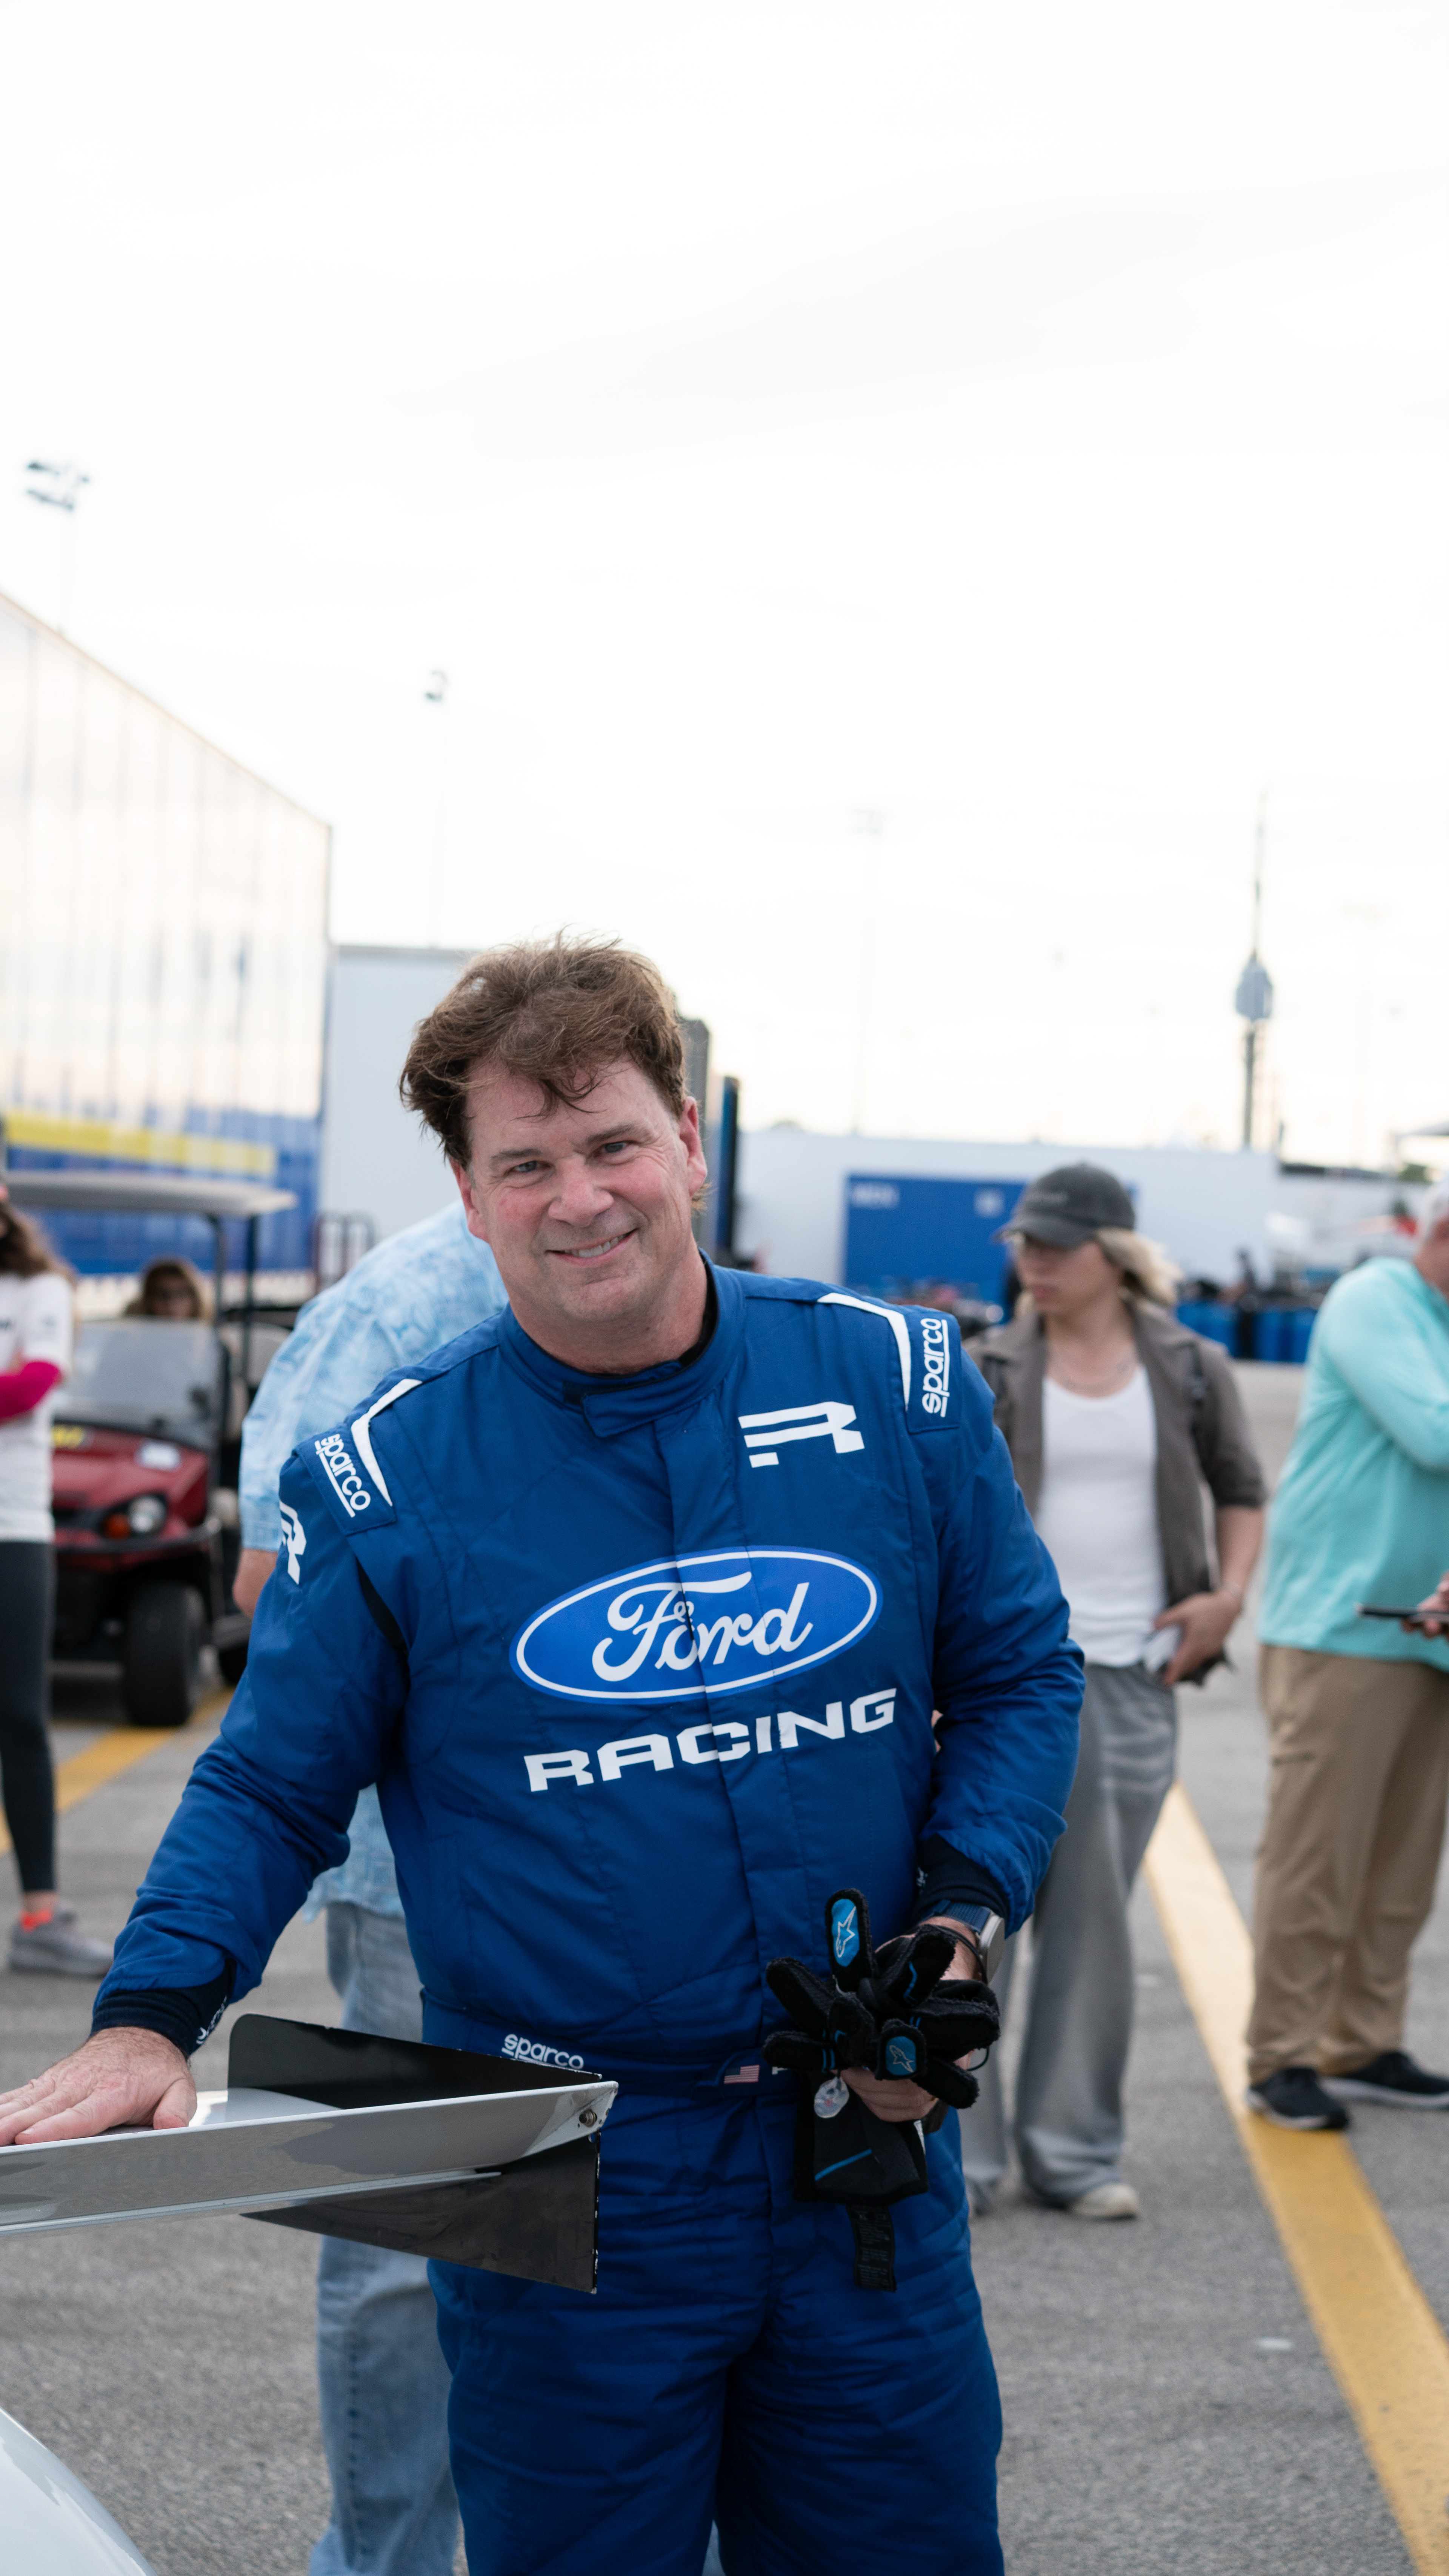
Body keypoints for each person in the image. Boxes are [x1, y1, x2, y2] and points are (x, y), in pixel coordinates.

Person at [0, 936, 1083, 2576]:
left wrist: (961, 1912)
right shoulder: (389, 1479)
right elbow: (270, 1783)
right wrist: (151, 2013)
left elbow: (1018, 1671)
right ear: (468, 1189)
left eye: (613, 1143)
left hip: (862, 2140)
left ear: (689, 1144)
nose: (581, 1199)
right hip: (546, 2161)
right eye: (527, 1163)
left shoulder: (894, 1385)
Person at [233, 1196, 506, 2576]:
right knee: (412, 2249)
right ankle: (383, 2560)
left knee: (602, 2237)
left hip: (621, 1883)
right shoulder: (404, 1308)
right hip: (420, 1885)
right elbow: (271, 1581)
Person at [960, 1165, 1265, 2217]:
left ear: (1115, 1254)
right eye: (1024, 1243)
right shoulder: (987, 1363)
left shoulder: (1190, 1366)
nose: (1033, 1260)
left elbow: (1241, 1488)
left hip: (1134, 1674)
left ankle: (1075, 2154)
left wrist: (1227, 1597)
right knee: (977, 1916)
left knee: (1093, 1924)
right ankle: (963, 2162)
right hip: (1003, 1684)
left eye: (1055, 1243)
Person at [1246, 1182, 1449, 2130]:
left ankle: (1362, 2041)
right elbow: (1434, 1431)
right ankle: (1281, 2053)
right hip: (1344, 1628)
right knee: (1317, 1858)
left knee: (1402, 1865)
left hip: (1430, 1639)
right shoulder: (1377, 1297)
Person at [0, 1193, 113, 1977]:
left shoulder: (39, 1287)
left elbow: (31, 1384)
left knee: (20, 1717)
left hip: (13, 1527)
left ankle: (41, 1914)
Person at [123, 1256, 210, 1319]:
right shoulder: (130, 1334)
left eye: (181, 1294)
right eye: (163, 1295)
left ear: (195, 1298)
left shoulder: (210, 1334)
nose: (171, 1303)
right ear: (148, 1299)